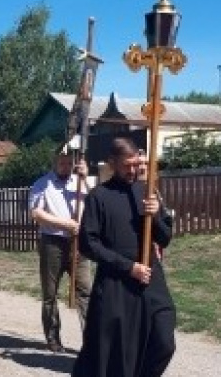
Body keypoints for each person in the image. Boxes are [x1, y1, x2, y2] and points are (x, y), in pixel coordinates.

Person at [72, 137, 176, 377]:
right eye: (127, 165)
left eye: (136, 164)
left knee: (163, 340)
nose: (133, 170)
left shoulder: (147, 191)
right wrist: (128, 267)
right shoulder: (99, 196)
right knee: (117, 351)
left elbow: (165, 238)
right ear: (112, 163)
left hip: (150, 277)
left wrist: (156, 215)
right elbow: (88, 244)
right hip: (115, 281)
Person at [29, 149, 95, 353]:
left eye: (69, 163)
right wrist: (65, 224)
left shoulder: (80, 182)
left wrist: (84, 179)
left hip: (78, 243)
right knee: (50, 293)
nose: (66, 167)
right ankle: (53, 337)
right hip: (52, 243)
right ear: (54, 163)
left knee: (86, 291)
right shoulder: (42, 184)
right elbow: (36, 213)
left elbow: (97, 201)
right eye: (62, 163)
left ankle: (91, 339)